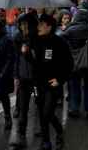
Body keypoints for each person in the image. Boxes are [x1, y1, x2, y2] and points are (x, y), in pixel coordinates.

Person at [33, 14, 73, 150]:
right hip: (39, 84)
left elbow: (69, 64)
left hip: (53, 84)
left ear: (49, 27)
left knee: (47, 113)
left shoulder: (59, 42)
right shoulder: (37, 41)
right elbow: (35, 64)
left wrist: (60, 80)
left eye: (41, 24)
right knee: (42, 113)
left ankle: (59, 133)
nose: (38, 27)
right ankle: (46, 141)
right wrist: (27, 54)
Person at [62, 8, 88, 119]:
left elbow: (62, 42)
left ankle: (74, 109)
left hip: (74, 62)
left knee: (74, 86)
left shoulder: (69, 30)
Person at [9, 12, 38, 149]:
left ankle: (43, 129)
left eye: (26, 24)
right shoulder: (17, 37)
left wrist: (29, 52)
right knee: (23, 106)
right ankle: (20, 135)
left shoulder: (38, 37)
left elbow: (39, 60)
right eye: (21, 24)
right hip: (23, 77)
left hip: (37, 78)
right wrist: (16, 76)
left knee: (41, 104)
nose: (23, 27)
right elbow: (16, 58)